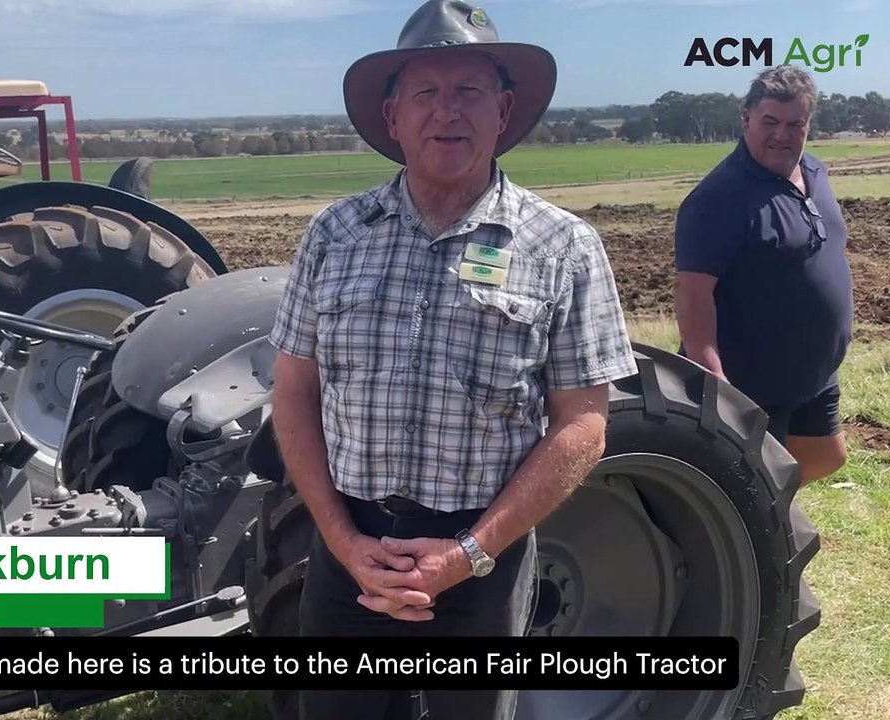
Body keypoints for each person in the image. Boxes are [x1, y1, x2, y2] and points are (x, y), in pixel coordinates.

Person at [267, 1, 639, 718]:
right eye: (426, 93)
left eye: (468, 91)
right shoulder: (334, 236)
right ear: (393, 114)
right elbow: (292, 394)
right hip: (350, 560)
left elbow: (583, 424)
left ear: (502, 110)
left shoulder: (562, 247)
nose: (448, 112)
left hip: (482, 566)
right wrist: (344, 542)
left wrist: (467, 553)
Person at [674, 65, 853, 487]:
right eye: (769, 122)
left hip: (812, 370)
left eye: (795, 124)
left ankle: (770, 508)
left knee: (827, 455)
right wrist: (712, 377)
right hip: (754, 381)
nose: (781, 134)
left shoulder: (813, 172)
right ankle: (751, 533)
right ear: (746, 118)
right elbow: (693, 294)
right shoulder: (718, 199)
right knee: (743, 487)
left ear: (809, 124)